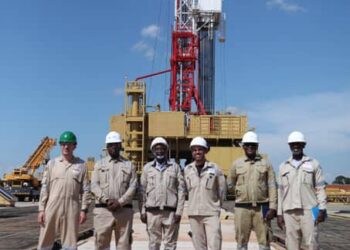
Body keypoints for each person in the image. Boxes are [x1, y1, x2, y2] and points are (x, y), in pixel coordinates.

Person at [37, 131, 91, 250]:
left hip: (72, 208)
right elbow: (45, 188)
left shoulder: (81, 165)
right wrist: (41, 209)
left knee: (70, 243)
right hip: (52, 207)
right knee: (45, 241)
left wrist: (84, 210)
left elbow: (86, 189)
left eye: (69, 144)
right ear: (60, 145)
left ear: (74, 146)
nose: (66, 147)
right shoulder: (52, 164)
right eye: (63, 144)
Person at [227, 131, 277, 250]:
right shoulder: (236, 164)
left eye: (253, 145)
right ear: (243, 146)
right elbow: (229, 184)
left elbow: (272, 186)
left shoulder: (266, 164)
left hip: (262, 208)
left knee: (264, 241)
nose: (250, 147)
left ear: (257, 146)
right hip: (241, 208)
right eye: (247, 144)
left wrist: (273, 207)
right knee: (241, 241)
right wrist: (240, 193)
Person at [277, 131, 327, 250]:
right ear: (289, 146)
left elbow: (320, 188)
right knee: (291, 244)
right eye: (293, 144)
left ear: (304, 145)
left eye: (298, 144)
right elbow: (280, 192)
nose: (295, 146)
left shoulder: (314, 164)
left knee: (312, 243)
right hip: (289, 211)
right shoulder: (283, 166)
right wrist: (279, 213)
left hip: (310, 210)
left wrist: (322, 209)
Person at [91, 131, 137, 250]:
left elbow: (133, 186)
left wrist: (120, 202)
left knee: (124, 245)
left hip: (123, 211)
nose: (114, 147)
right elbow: (94, 185)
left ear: (120, 146)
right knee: (101, 245)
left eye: (116, 144)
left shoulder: (129, 165)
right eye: (111, 145)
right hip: (103, 211)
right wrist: (106, 200)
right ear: (106, 147)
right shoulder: (99, 164)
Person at [139, 137, 186, 250]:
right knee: (153, 243)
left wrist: (179, 212)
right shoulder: (147, 169)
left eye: (162, 149)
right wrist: (142, 211)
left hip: (170, 213)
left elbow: (181, 190)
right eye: (157, 149)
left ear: (166, 150)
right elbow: (142, 191)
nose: (159, 151)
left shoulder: (175, 168)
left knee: (170, 244)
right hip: (152, 213)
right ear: (153, 151)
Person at [184, 136, 226, 250]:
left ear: (205, 151)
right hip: (194, 214)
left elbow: (222, 190)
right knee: (199, 246)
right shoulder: (187, 170)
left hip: (211, 213)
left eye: (200, 149)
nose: (197, 152)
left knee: (214, 245)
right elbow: (185, 190)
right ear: (192, 152)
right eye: (194, 149)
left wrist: (216, 206)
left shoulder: (215, 168)